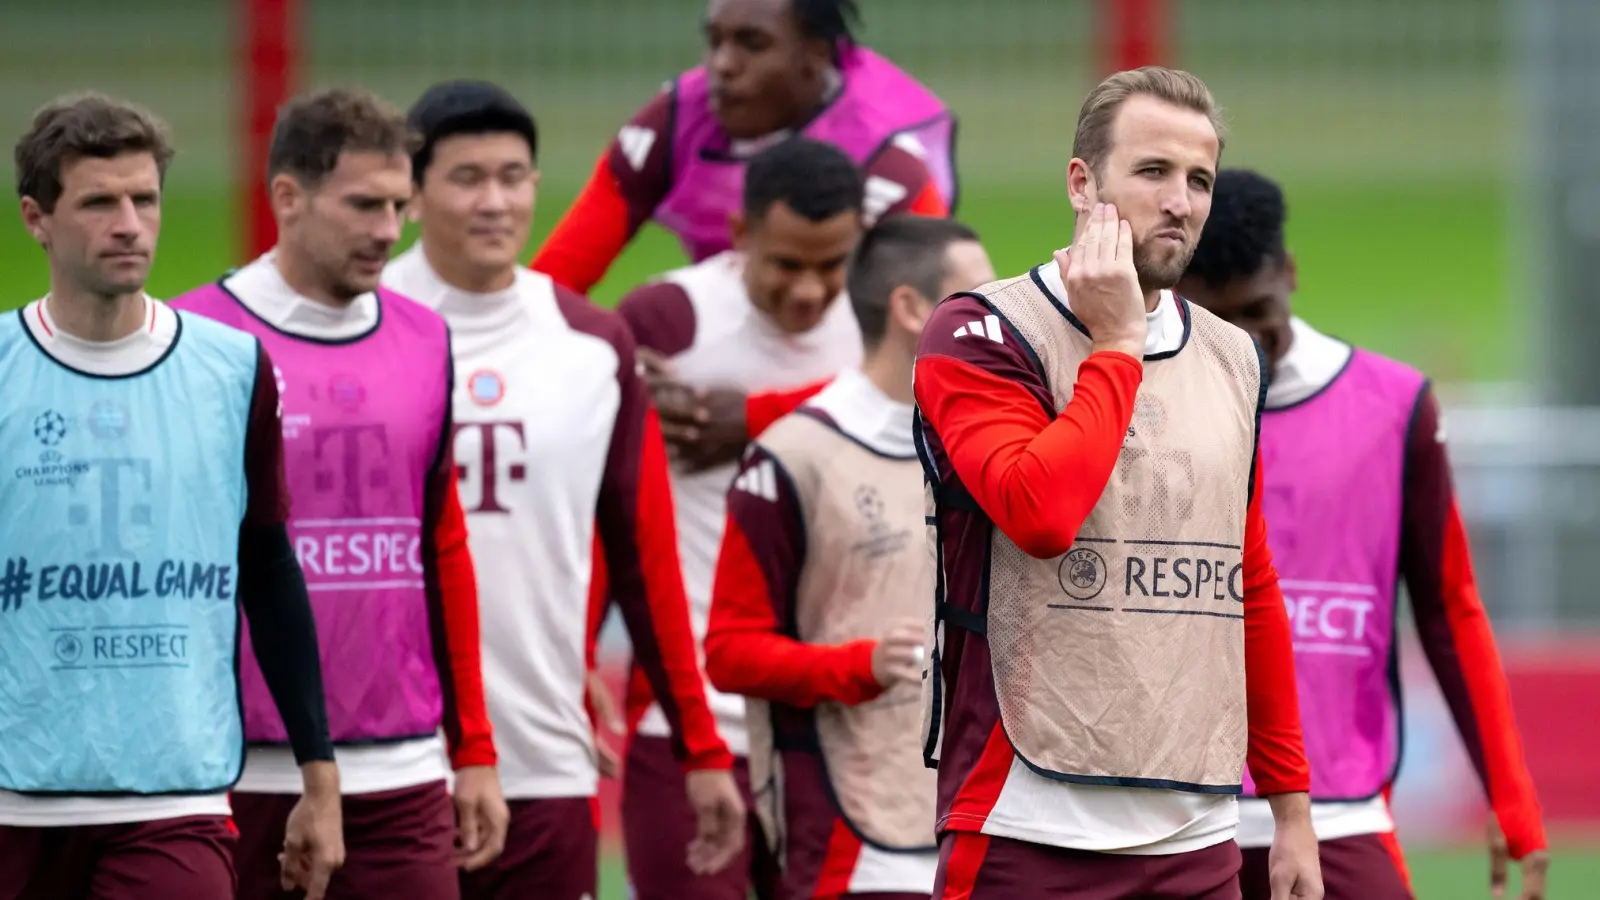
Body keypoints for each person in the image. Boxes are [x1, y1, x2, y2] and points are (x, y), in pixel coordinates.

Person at [911, 67, 1323, 899]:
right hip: (1027, 824)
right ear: (1082, 183)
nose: (1181, 201)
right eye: (1153, 172)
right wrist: (1118, 342)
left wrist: (1291, 810)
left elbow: (1249, 583)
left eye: (1199, 179)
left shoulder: (1233, 356)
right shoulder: (981, 331)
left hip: (1198, 833)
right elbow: (1040, 513)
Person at [380, 80, 747, 900]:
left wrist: (702, 748)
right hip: (384, 767)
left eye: (513, 177)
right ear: (410, 194)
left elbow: (643, 556)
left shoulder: (590, 344)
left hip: (543, 759)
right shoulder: (365, 322)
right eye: (467, 178)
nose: (495, 201)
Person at [0, 93, 343, 900]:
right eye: (98, 202)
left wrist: (318, 777)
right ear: (36, 218)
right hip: (13, 796)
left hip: (174, 798)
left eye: (144, 199)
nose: (129, 223)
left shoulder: (233, 370)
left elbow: (267, 568)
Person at [169, 86, 507, 900]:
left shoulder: (427, 338)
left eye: (399, 205)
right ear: (287, 196)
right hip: (241, 767)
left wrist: (475, 750)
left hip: (404, 768)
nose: (390, 231)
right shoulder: (199, 340)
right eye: (363, 205)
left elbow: (440, 546)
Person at [1176, 168, 1550, 900]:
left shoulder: (1395, 406)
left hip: (1338, 813)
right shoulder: (1135, 399)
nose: (1244, 346)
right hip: (1173, 819)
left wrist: (1510, 793)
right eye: (1218, 323)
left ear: (1289, 273)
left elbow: (1450, 609)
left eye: (1257, 312)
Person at [704, 215, 996, 900]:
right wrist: (855, 665)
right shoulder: (794, 456)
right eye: (974, 297)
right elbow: (729, 650)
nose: (995, 317)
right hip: (854, 843)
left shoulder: (984, 447)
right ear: (910, 308)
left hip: (980, 825)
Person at [615, 136, 869, 899]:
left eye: (832, 265)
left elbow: (940, 396)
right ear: (740, 237)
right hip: (692, 722)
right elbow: (605, 505)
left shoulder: (880, 324)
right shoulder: (665, 321)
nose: (809, 290)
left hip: (836, 721)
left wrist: (759, 416)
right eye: (787, 264)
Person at [532, 0, 954, 297]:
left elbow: (943, 338)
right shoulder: (677, 118)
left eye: (752, 44)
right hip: (722, 337)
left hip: (840, 371)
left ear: (815, 56)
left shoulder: (884, 152)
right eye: (715, 41)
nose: (723, 65)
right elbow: (552, 284)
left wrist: (756, 410)